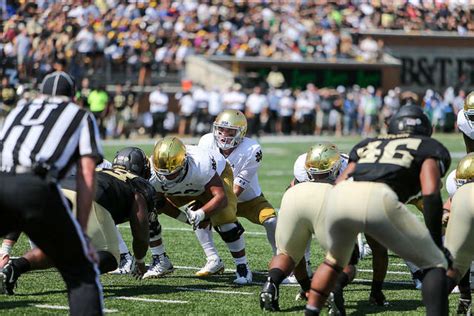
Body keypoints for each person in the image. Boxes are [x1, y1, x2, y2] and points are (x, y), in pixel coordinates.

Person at [306, 105, 451, 315]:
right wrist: (436, 240)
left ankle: (311, 311)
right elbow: (430, 193)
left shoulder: (368, 144)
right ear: (427, 128)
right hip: (379, 198)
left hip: (338, 198)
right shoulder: (428, 146)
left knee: (334, 262)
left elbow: (341, 181)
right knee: (435, 262)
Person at [0, 71, 104, 315]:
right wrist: (82, 233)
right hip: (36, 188)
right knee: (81, 273)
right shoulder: (80, 115)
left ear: (42, 92)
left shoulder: (19, 110)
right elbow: (87, 173)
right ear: (73, 95)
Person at [260, 143, 358, 315]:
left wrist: (306, 286)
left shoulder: (300, 163)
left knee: (286, 254)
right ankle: (334, 287)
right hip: (329, 198)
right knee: (346, 260)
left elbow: (291, 187)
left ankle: (271, 283)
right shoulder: (348, 165)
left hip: (294, 196)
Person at [146, 136, 252, 284]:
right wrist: (187, 218)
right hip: (187, 184)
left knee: (225, 219)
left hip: (216, 176)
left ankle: (242, 266)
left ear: (184, 163)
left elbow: (220, 198)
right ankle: (161, 260)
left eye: (172, 173)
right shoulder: (152, 171)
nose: (166, 177)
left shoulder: (201, 165)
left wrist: (201, 213)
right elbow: (159, 203)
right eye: (162, 173)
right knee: (148, 210)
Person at [195, 110, 277, 276]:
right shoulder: (206, 142)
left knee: (272, 221)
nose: (224, 135)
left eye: (230, 131)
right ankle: (212, 259)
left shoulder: (252, 148)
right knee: (197, 214)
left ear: (241, 132)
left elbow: (238, 188)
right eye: (221, 130)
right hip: (217, 195)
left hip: (248, 199)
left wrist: (219, 209)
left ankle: (280, 259)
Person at [443, 153, 474, 315]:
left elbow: (448, 207)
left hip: (462, 201)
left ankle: (463, 297)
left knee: (458, 259)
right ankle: (464, 297)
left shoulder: (456, 183)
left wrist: (446, 214)